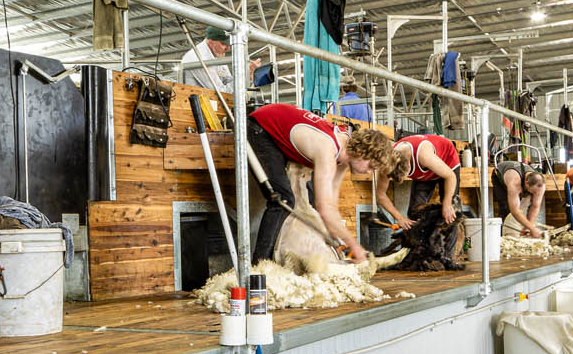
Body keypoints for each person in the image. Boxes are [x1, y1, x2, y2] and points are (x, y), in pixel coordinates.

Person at [246, 103, 395, 265]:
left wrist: (336, 237)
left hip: (275, 127)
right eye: (371, 167)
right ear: (362, 153)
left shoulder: (344, 156)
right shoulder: (328, 150)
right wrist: (354, 245)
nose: (368, 172)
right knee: (283, 199)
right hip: (259, 127)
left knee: (296, 198)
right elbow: (324, 208)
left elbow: (332, 205)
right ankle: (259, 265)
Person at [376, 132, 458, 228]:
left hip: (447, 160)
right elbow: (380, 195)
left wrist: (447, 203)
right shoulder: (386, 165)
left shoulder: (424, 156)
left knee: (449, 213)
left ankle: (451, 241)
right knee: (414, 213)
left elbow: (450, 176)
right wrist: (400, 218)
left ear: (409, 164)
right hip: (426, 170)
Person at [177, 26, 265, 94]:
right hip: (196, 109)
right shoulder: (198, 58)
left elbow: (228, 80)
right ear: (211, 41)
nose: (228, 48)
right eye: (224, 44)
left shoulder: (218, 55)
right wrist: (242, 75)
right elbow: (221, 92)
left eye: (229, 44)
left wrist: (247, 73)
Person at [493, 163, 548, 239]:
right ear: (526, 183)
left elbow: (535, 206)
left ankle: (524, 230)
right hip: (499, 175)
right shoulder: (514, 182)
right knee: (506, 209)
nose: (535, 194)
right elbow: (514, 211)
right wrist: (533, 229)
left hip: (522, 178)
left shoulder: (540, 185)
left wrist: (529, 227)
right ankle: (503, 239)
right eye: (533, 191)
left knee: (525, 206)